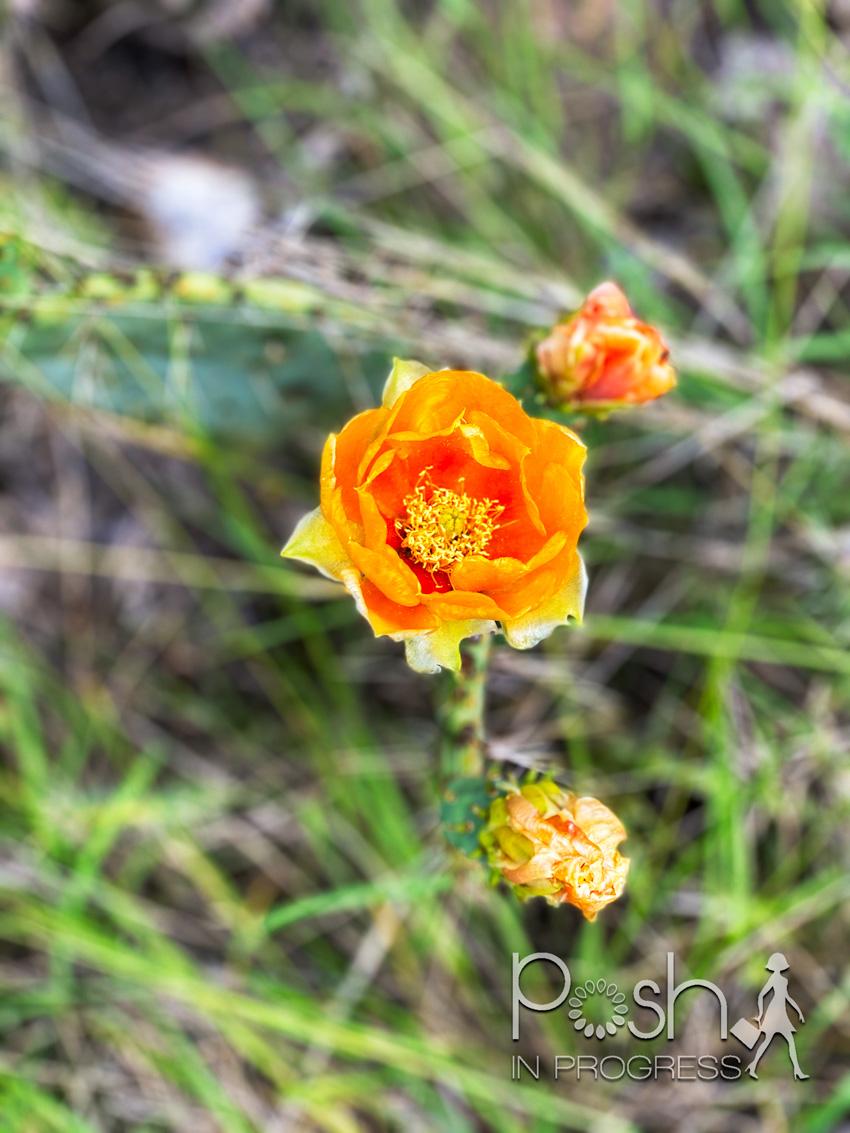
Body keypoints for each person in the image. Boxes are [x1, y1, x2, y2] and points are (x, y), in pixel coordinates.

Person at [746, 953, 808, 1080]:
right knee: (772, 1042)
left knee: (787, 1042)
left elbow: (788, 998)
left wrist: (798, 1012)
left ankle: (796, 1070)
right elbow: (762, 995)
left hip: (781, 1012)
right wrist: (762, 1014)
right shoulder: (773, 980)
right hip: (774, 1012)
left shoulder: (783, 981)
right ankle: (754, 1066)